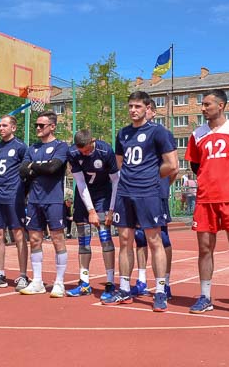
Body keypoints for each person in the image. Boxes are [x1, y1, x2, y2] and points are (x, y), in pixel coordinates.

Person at [185, 89, 229, 317]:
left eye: (207, 104)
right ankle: (205, 296)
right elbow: (195, 165)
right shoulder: (197, 133)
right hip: (205, 199)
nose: (203, 108)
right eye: (203, 104)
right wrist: (209, 178)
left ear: (221, 105)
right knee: (205, 249)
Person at [104, 91, 178, 312]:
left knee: (154, 241)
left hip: (148, 193)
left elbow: (172, 164)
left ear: (147, 109)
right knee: (125, 240)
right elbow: (119, 164)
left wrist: (152, 177)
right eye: (130, 106)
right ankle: (125, 288)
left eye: (137, 106)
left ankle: (160, 291)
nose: (133, 110)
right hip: (125, 193)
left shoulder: (158, 132)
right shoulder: (123, 134)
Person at [18, 110, 70, 297]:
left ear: (52, 126)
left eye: (42, 125)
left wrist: (35, 167)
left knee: (57, 239)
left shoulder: (61, 146)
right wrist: (39, 167)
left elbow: (53, 168)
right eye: (36, 125)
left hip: (54, 200)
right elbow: (23, 171)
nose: (38, 128)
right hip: (34, 200)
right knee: (34, 240)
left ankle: (59, 282)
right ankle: (37, 281)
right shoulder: (32, 148)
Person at [129, 100, 176, 300]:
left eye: (145, 108)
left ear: (153, 112)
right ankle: (141, 280)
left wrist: (161, 186)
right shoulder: (131, 134)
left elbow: (173, 168)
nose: (140, 111)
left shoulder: (162, 134)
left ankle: (164, 282)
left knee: (161, 238)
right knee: (140, 237)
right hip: (137, 192)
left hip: (156, 193)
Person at [65, 129, 120, 300]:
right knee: (83, 239)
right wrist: (90, 210)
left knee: (105, 237)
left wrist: (111, 209)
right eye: (82, 152)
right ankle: (84, 282)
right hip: (84, 194)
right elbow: (80, 182)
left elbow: (116, 180)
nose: (85, 154)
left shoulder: (106, 151)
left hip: (104, 193)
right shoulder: (73, 153)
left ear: (93, 141)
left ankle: (110, 283)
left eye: (88, 150)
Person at [0, 115, 31, 292]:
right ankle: (0, 274)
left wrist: (23, 193)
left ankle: (23, 275)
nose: (1, 128)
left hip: (14, 197)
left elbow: (27, 174)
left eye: (5, 125)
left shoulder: (20, 148)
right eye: (0, 125)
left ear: (14, 128)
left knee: (18, 235)